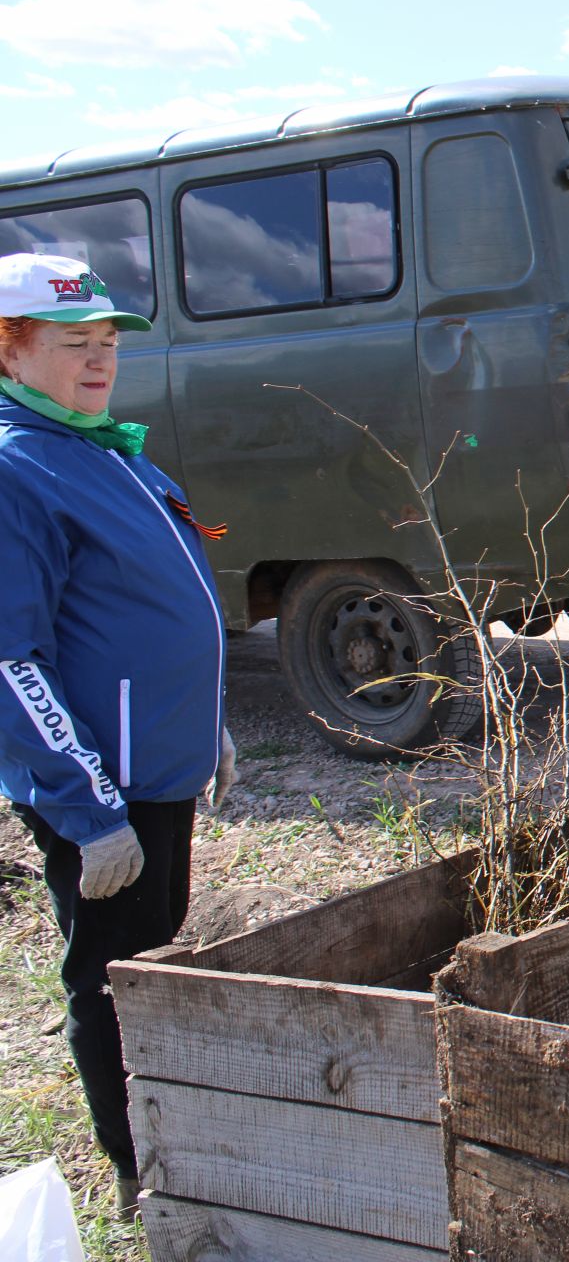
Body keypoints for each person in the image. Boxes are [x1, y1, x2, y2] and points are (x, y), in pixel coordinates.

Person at [0, 253, 233, 1215]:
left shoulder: (107, 449)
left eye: (106, 343)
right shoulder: (16, 469)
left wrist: (207, 724)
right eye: (72, 344)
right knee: (112, 981)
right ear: (9, 349)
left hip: (159, 772)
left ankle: (172, 1132)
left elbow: (171, 613)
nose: (99, 362)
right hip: (106, 790)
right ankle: (143, 1169)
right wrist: (86, 807)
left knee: (154, 960)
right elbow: (13, 660)